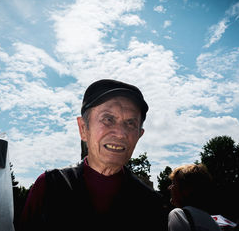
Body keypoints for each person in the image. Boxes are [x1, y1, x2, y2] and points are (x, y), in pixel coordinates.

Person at [20, 79, 166, 231]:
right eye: (108, 119)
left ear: (139, 135)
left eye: (130, 123)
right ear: (83, 128)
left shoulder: (150, 203)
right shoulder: (50, 187)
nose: (121, 134)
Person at [168, 164, 220, 231]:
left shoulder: (179, 215)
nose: (169, 188)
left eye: (173, 183)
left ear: (186, 189)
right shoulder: (214, 224)